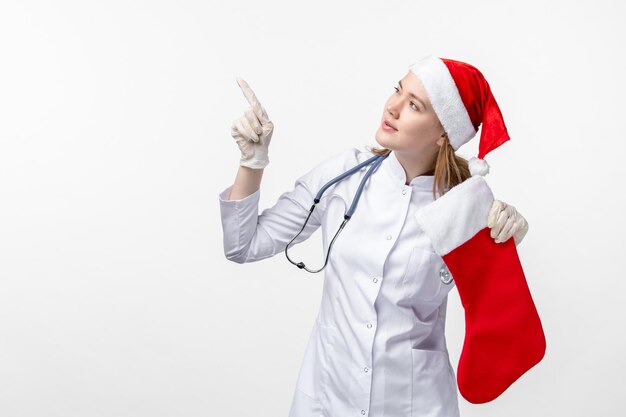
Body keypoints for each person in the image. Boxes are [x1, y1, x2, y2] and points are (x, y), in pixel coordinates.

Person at [218, 55, 530, 417]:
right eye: (398, 90)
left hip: (415, 403)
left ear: (444, 132)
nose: (393, 107)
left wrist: (505, 243)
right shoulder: (343, 176)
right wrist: (252, 163)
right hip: (327, 394)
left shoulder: (464, 209)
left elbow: (498, 317)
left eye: (415, 105)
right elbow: (243, 245)